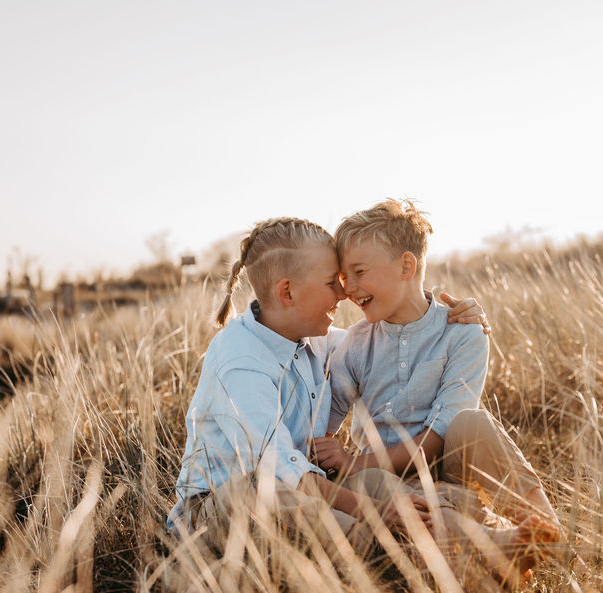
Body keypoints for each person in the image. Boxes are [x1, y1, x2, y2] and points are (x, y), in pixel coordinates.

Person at [166, 216, 515, 560]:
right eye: (332, 282)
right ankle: (395, 553)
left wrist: (459, 319)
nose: (344, 293)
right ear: (288, 292)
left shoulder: (313, 338)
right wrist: (373, 510)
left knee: (379, 483)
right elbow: (279, 468)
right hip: (228, 504)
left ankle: (484, 539)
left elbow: (384, 345)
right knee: (295, 504)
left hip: (307, 488)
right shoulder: (241, 362)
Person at [311, 199, 561, 571]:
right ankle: (491, 545)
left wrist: (354, 461)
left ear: (406, 266)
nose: (350, 289)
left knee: (472, 422)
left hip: (447, 467)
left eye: (359, 272)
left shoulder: (462, 332)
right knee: (372, 480)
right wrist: (338, 462)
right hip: (383, 478)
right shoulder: (354, 344)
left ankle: (543, 525)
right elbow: (324, 423)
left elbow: (441, 433)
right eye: (345, 277)